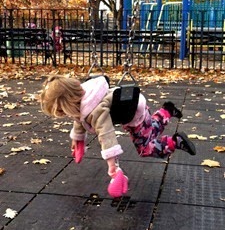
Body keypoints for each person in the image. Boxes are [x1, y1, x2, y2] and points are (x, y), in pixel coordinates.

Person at [40, 75, 196, 198]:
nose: (64, 115)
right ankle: (167, 111)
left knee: (146, 148)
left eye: (62, 111)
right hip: (132, 107)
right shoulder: (85, 93)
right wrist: (78, 139)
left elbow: (106, 135)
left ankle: (175, 141)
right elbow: (78, 118)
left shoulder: (96, 110)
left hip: (135, 114)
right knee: (151, 131)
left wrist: (113, 168)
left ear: (67, 103)